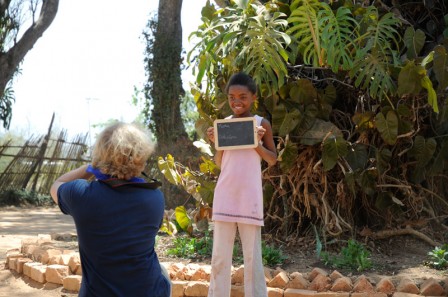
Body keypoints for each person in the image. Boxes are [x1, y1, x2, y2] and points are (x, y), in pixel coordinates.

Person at [50, 122, 171, 297]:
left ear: (101, 155)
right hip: (147, 292)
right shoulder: (155, 198)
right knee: (162, 271)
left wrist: (89, 167)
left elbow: (57, 185)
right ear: (141, 157)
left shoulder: (82, 195)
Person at [206, 72, 277, 297]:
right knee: (219, 257)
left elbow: (272, 158)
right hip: (225, 194)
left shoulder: (261, 123)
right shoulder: (223, 126)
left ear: (254, 97)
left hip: (250, 197)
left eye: (243, 97)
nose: (237, 102)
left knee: (252, 257)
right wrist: (216, 142)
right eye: (232, 97)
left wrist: (256, 141)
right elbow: (220, 163)